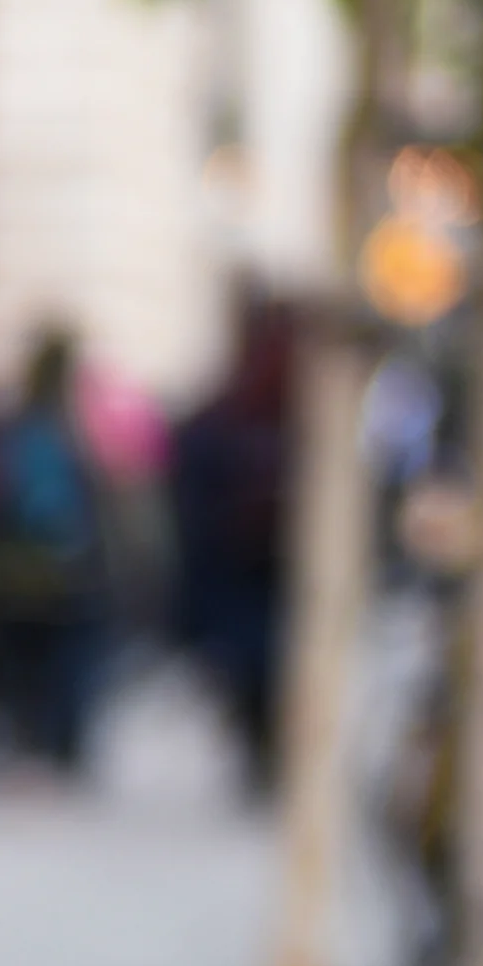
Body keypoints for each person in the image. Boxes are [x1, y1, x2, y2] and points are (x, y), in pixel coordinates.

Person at [164, 306, 297, 803]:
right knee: (259, 670)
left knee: (258, 671)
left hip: (253, 575)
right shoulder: (259, 419)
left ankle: (265, 757)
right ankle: (263, 757)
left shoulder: (237, 417)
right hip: (251, 575)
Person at [0, 328, 112, 762]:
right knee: (61, 656)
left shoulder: (21, 424)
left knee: (31, 658)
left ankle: (36, 741)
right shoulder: (67, 426)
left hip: (23, 562)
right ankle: (54, 743)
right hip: (61, 562)